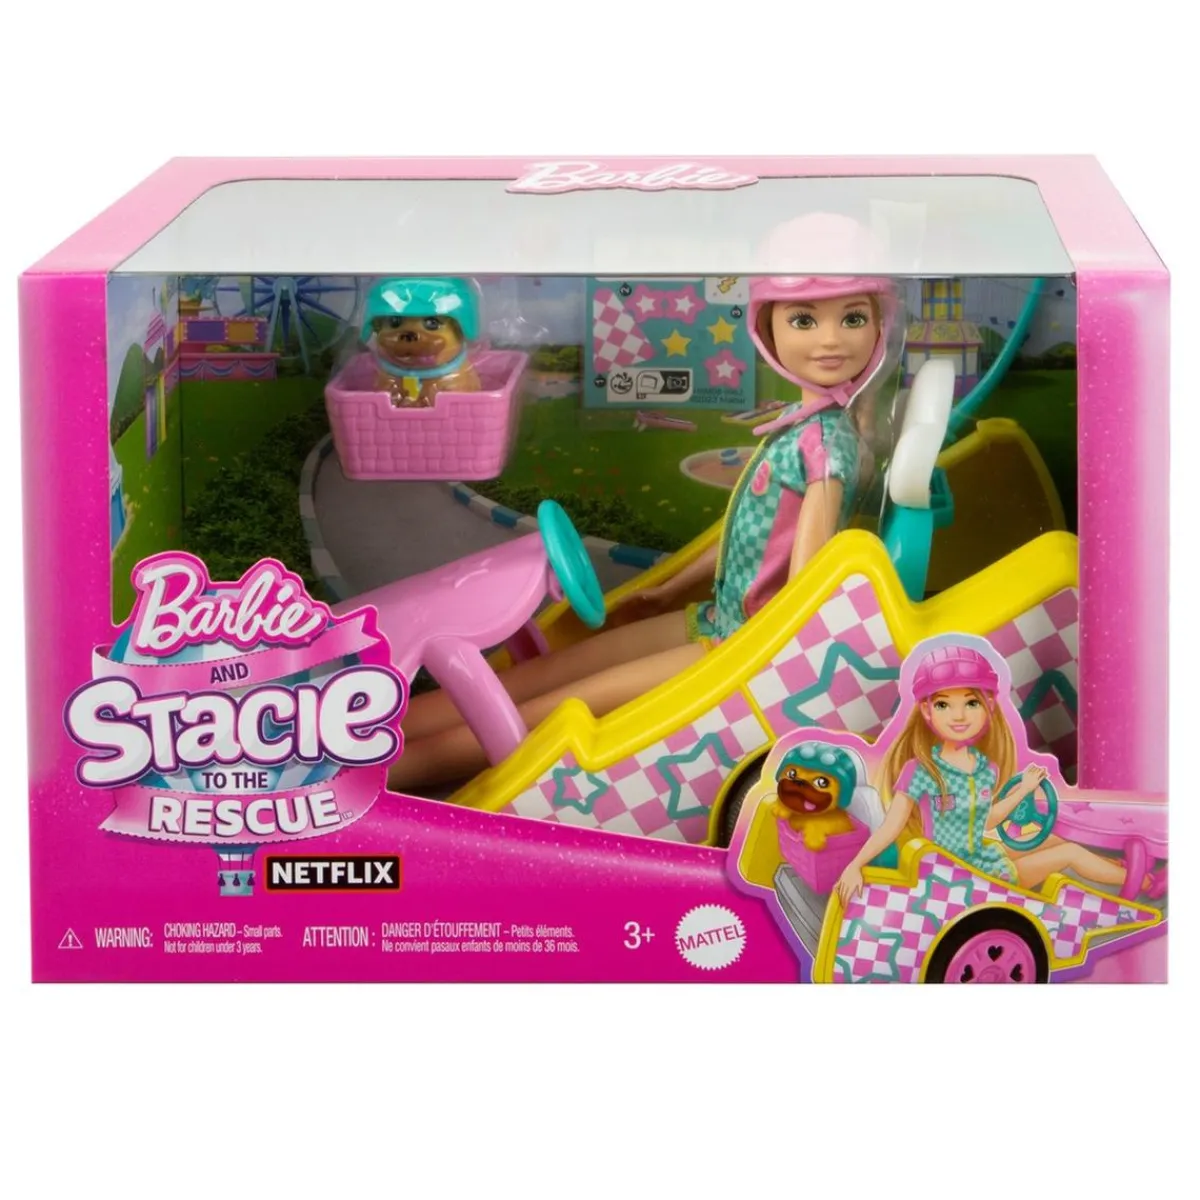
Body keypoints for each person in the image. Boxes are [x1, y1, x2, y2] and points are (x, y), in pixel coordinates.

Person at [388, 265, 899, 792]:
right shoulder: (800, 426)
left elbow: (806, 590)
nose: (831, 339)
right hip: (718, 618)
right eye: (804, 321)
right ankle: (374, 720)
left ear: (878, 329)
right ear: (767, 329)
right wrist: (669, 590)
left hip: (739, 648)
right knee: (547, 675)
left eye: (853, 319)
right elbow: (751, 533)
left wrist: (750, 663)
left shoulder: (824, 445)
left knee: (551, 708)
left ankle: (378, 762)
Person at [834, 644, 1168, 903]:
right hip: (956, 877)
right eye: (943, 705)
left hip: (979, 856)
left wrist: (1024, 788)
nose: (958, 715)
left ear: (989, 706)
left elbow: (988, 818)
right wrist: (855, 865)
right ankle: (1144, 882)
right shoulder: (922, 770)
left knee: (1055, 839)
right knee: (1069, 853)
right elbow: (891, 826)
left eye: (971, 703)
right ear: (926, 710)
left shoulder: (986, 769)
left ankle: (1121, 869)